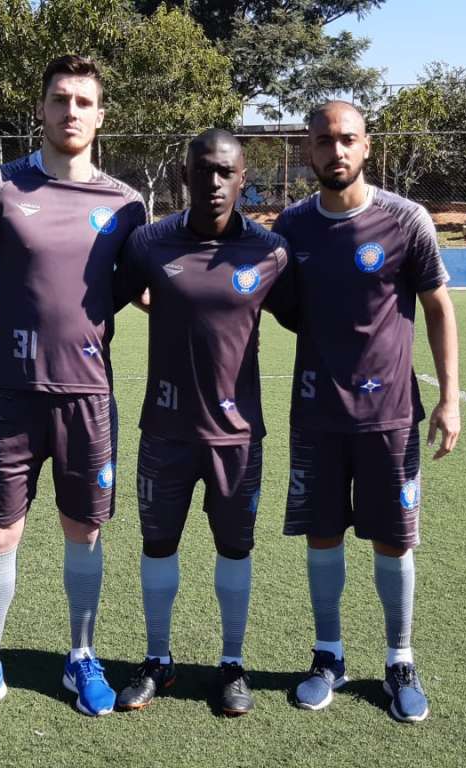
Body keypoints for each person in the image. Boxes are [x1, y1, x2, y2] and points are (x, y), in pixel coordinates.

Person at [0, 55, 145, 729]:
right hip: (8, 392)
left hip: (88, 396)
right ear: (41, 108)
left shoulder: (124, 202)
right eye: (61, 99)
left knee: (84, 532)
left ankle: (81, 656)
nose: (72, 111)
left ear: (101, 114)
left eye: (85, 101)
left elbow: (148, 291)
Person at [273, 101, 460, 722]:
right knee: (321, 535)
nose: (336, 151)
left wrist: (450, 399)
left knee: (392, 538)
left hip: (392, 417)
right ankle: (328, 654)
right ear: (309, 151)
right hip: (316, 413)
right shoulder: (292, 226)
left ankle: (399, 658)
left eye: (347, 139)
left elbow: (438, 307)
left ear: (367, 146)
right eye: (324, 141)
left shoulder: (406, 220)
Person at [111, 129, 293, 716]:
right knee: (158, 545)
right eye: (202, 171)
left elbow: (318, 318)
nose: (213, 183)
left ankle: (232, 665)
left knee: (235, 550)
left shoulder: (270, 251)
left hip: (238, 438)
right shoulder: (148, 243)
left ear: (243, 178)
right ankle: (157, 661)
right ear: (183, 176)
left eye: (225, 172)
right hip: (164, 432)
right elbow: (96, 300)